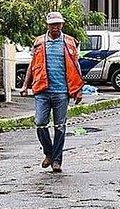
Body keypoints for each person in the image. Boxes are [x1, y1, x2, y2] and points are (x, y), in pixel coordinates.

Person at [20, 11, 84, 173]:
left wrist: (79, 90)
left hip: (62, 92)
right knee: (40, 122)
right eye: (52, 24)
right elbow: (32, 65)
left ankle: (56, 161)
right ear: (47, 25)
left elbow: (76, 67)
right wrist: (25, 85)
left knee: (60, 126)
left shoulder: (69, 42)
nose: (55, 27)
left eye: (58, 24)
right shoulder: (39, 42)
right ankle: (49, 153)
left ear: (62, 25)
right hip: (42, 90)